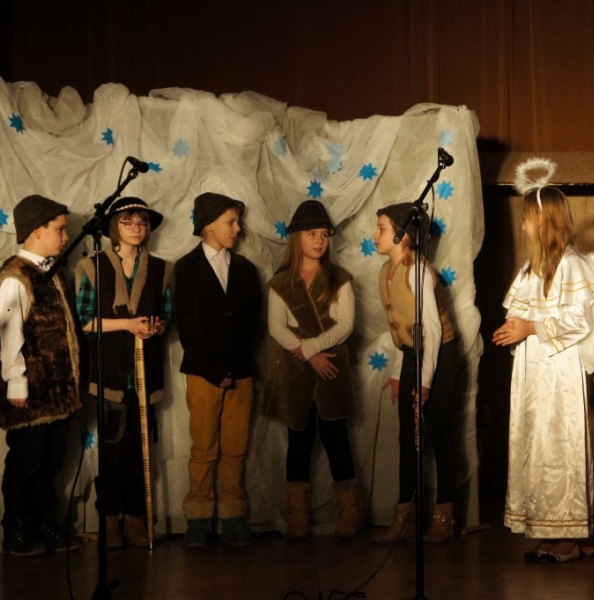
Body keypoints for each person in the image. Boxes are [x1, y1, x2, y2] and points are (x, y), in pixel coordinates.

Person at [491, 158, 594, 563]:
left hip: (559, 369)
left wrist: (531, 327)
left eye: (525, 219)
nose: (522, 227)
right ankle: (543, 527)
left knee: (560, 445)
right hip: (532, 368)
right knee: (534, 443)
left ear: (541, 220)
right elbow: (521, 312)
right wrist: (514, 329)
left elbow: (579, 320)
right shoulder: (531, 268)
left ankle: (569, 535)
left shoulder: (573, 264)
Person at [74, 197, 172, 549]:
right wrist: (128, 324)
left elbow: (167, 317)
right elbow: (85, 321)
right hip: (110, 375)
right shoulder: (91, 266)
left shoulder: (161, 269)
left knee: (140, 451)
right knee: (113, 452)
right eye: (128, 222)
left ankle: (135, 519)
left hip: (145, 376)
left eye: (142, 223)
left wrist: (155, 328)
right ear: (114, 227)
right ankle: (109, 519)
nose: (137, 228)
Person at [0, 194, 82, 556]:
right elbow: (9, 333)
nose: (65, 237)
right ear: (36, 230)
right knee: (27, 460)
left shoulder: (50, 273)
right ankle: (17, 527)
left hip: (57, 389)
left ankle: (44, 520)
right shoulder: (16, 275)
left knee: (51, 461)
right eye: (59, 229)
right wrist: (16, 380)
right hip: (32, 389)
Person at [261, 200, 360, 541]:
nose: (319, 241)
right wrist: (307, 354)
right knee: (299, 443)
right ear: (296, 238)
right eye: (312, 234)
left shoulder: (339, 279)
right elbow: (276, 326)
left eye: (324, 235)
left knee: (337, 441)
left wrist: (311, 348)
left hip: (331, 369)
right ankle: (297, 516)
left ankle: (349, 513)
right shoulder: (280, 282)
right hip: (296, 372)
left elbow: (345, 325)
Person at [174, 191, 261, 548]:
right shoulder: (185, 268)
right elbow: (187, 327)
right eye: (231, 222)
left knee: (236, 447)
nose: (238, 229)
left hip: (241, 371)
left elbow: (253, 325)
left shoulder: (245, 269)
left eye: (238, 222)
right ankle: (198, 518)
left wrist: (233, 368)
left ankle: (233, 516)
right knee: (204, 448)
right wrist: (214, 369)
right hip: (202, 372)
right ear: (207, 225)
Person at [372, 202, 459, 544]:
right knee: (408, 438)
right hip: (413, 355)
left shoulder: (417, 271)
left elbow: (432, 332)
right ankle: (405, 518)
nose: (375, 235)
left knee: (440, 434)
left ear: (403, 236)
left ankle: (443, 518)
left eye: (381, 229)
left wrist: (424, 381)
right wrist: (399, 372)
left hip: (439, 356)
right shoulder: (387, 271)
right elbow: (402, 330)